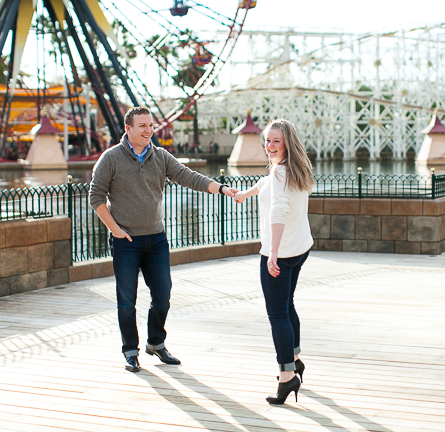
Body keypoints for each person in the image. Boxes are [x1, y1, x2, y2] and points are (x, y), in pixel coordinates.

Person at [89, 106, 236, 372]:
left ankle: (156, 343)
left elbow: (188, 176)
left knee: (163, 295)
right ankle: (130, 350)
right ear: (128, 129)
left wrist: (221, 188)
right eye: (142, 126)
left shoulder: (160, 156)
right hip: (126, 242)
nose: (148, 131)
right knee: (126, 300)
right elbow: (96, 197)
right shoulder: (110, 158)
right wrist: (114, 229)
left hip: (156, 239)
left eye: (151, 126)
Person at [233, 119, 314, 404]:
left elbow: (278, 210)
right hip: (300, 248)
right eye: (267, 140)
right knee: (287, 305)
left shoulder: (281, 172)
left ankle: (287, 377)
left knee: (277, 315)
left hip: (280, 253)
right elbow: (268, 184)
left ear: (287, 143)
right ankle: (295, 359)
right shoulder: (297, 168)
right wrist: (246, 193)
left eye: (275, 141)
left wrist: (273, 253)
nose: (269, 146)